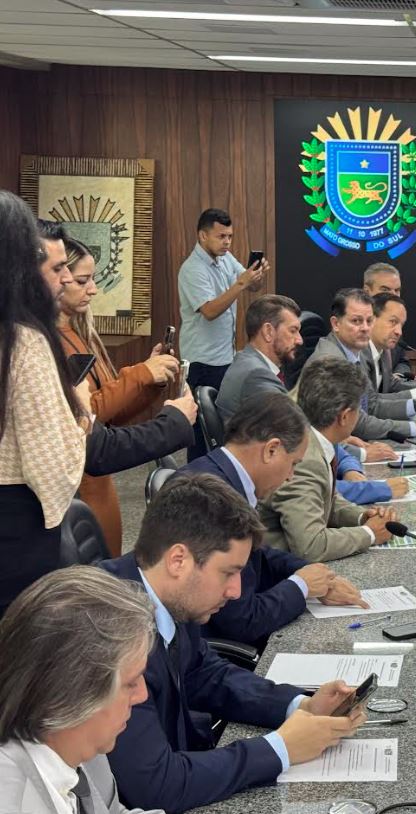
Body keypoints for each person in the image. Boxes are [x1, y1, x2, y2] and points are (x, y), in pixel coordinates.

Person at [102, 474, 364, 812]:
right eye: (228, 573)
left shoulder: (167, 596)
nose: (236, 591)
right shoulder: (108, 632)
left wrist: (300, 706)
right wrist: (280, 748)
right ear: (178, 560)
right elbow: (155, 785)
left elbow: (205, 673)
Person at [178, 392, 369, 648]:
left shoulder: (222, 474)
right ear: (271, 450)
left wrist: (308, 573)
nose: (291, 476)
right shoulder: (212, 497)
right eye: (293, 464)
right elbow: (241, 621)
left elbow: (256, 554)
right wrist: (301, 587)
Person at [0, 566, 161, 814]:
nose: (142, 695)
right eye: (131, 682)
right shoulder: (13, 799)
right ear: (70, 695)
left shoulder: (84, 746)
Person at [57, 237, 180, 554]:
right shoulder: (47, 342)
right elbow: (83, 415)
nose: (94, 289)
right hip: (80, 488)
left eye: (93, 279)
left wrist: (150, 381)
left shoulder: (81, 333)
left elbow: (110, 416)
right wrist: (140, 374)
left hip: (99, 487)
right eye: (83, 281)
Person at [0, 197, 86, 617]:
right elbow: (52, 475)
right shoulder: (23, 342)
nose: (65, 280)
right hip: (18, 539)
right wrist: (81, 420)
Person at [259, 357, 398, 562]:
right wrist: (369, 534)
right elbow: (310, 546)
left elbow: (326, 500)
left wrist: (361, 517)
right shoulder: (305, 458)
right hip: (275, 572)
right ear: (344, 416)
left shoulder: (314, 437)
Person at [297, 288, 416, 440]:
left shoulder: (355, 353)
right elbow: (358, 424)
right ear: (336, 324)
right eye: (356, 321)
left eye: (369, 321)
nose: (365, 328)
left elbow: (371, 404)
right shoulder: (330, 363)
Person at [177, 208, 267, 394]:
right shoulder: (192, 269)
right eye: (221, 236)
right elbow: (209, 311)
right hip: (202, 362)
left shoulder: (225, 257)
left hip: (226, 356)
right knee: (201, 420)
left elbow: (252, 287)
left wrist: (256, 276)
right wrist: (242, 282)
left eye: (230, 236)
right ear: (203, 236)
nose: (227, 242)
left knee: (220, 418)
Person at [215, 294, 302, 423]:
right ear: (268, 332)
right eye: (293, 331)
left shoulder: (247, 361)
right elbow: (292, 426)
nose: (300, 340)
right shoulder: (256, 375)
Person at [362, 261, 412, 380]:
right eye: (386, 289)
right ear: (367, 291)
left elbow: (402, 361)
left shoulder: (394, 322)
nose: (393, 295)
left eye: (397, 290)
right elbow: (366, 397)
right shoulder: (356, 334)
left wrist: (396, 377)